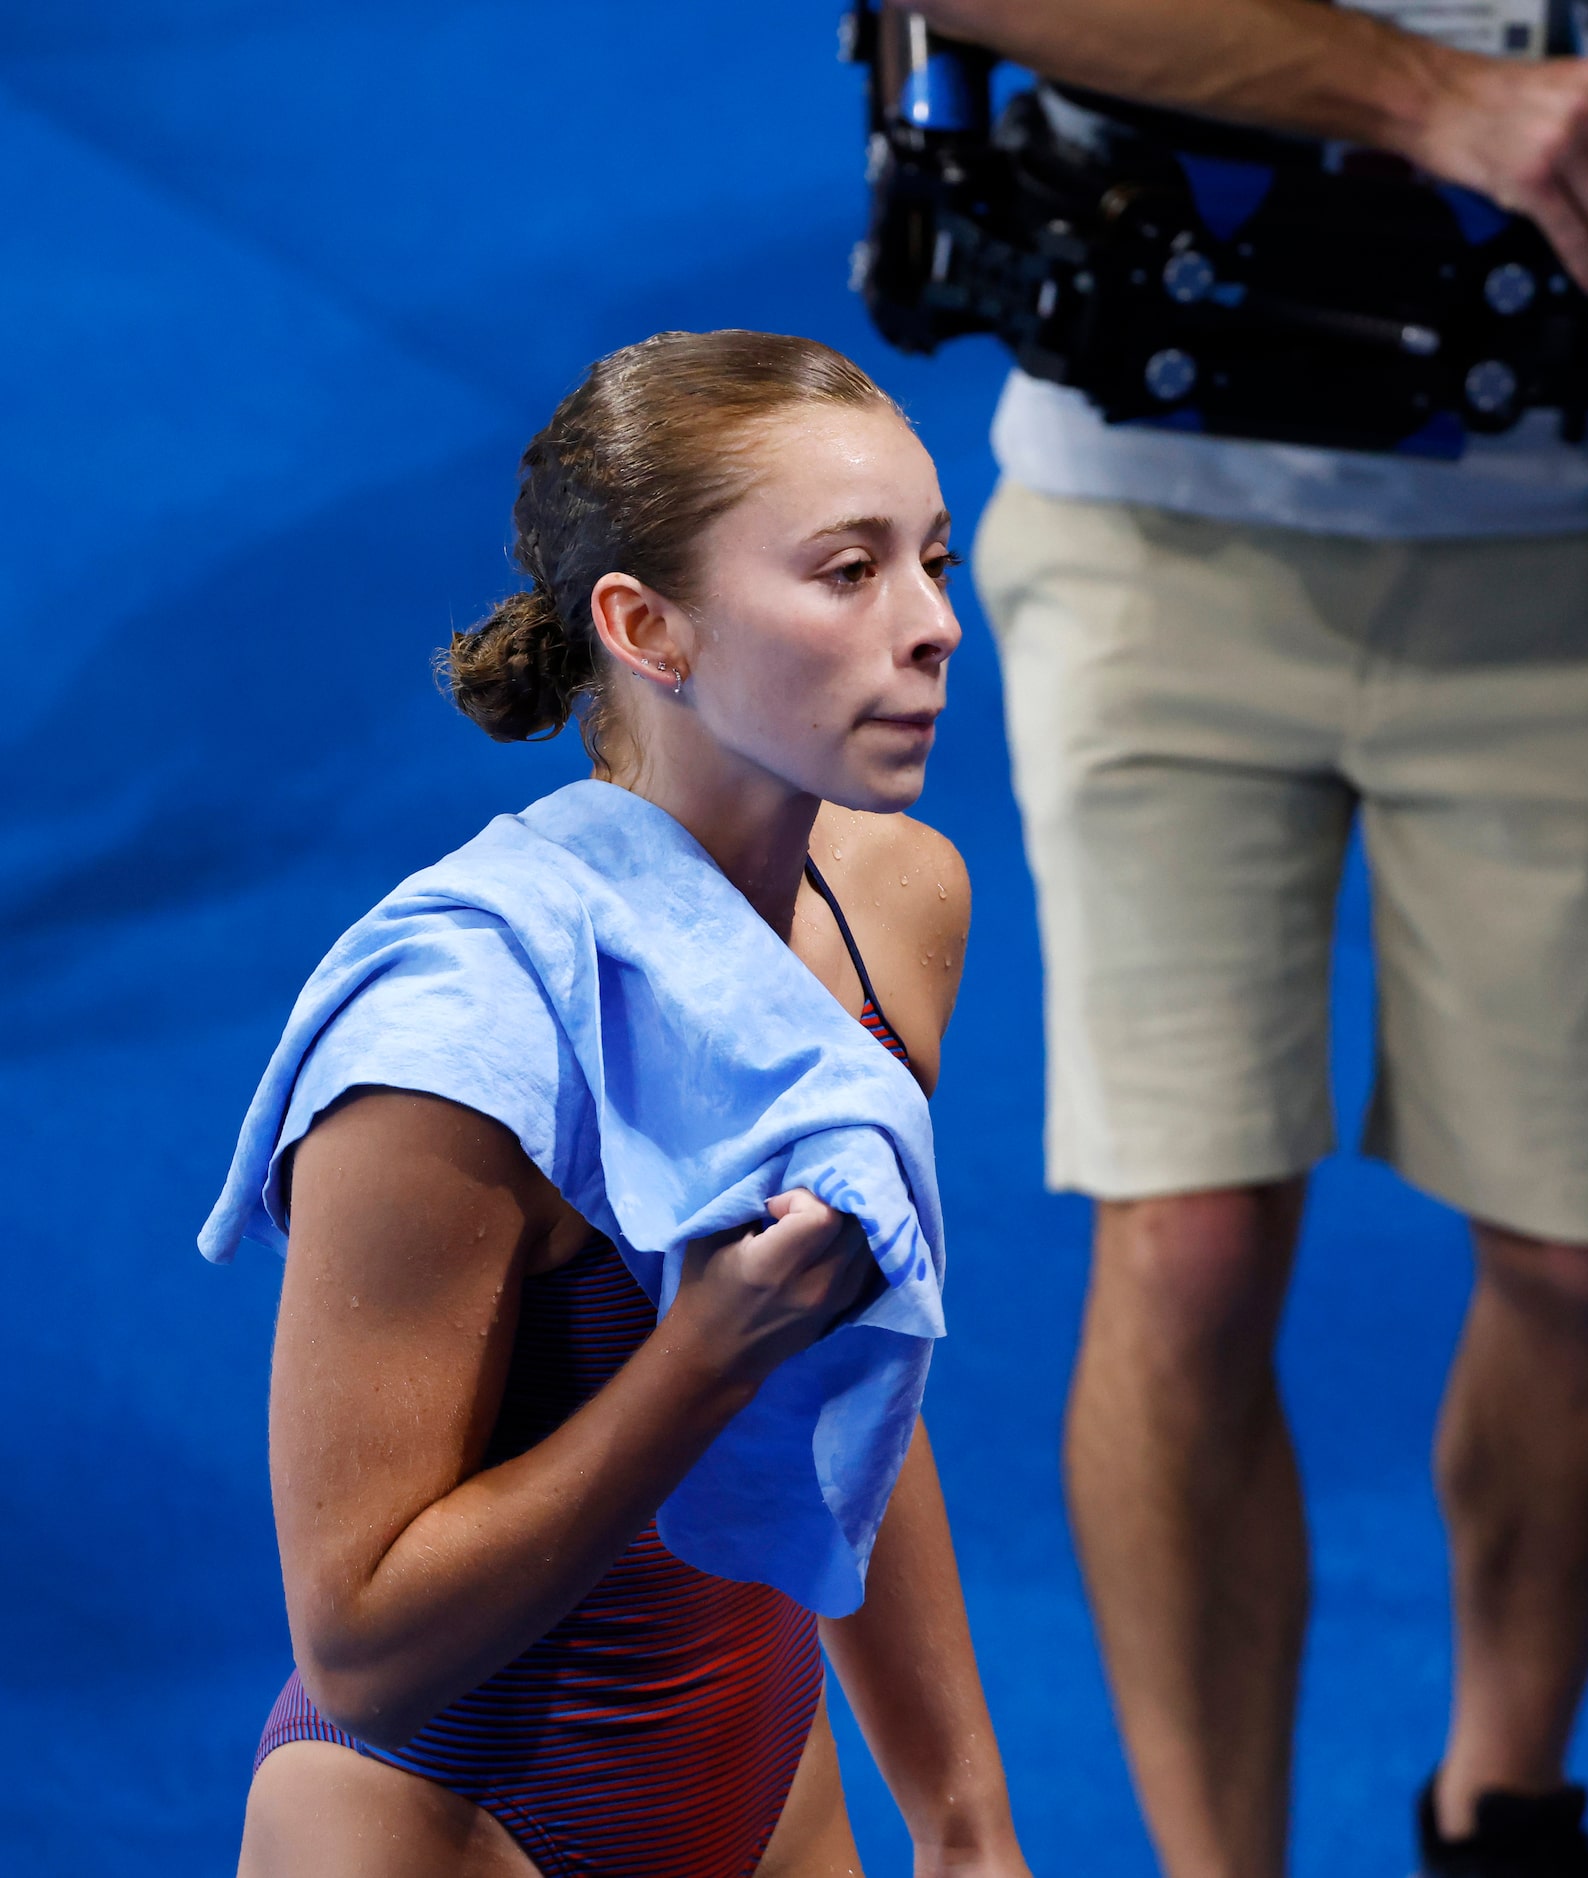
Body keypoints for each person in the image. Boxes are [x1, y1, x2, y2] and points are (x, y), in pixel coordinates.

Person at [905, 3, 1588, 1871]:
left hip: (1584, 512)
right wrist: (1436, 97)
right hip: (1151, 520)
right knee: (1185, 1243)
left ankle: (1502, 1804)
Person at [208, 330, 1030, 1878]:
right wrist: (707, 1351)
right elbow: (363, 1648)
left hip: (770, 1797)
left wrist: (964, 1815)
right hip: (437, 1830)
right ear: (647, 626)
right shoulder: (444, 1056)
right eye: (848, 573)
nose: (933, 627)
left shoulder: (894, 903)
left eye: (934, 560)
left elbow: (852, 1375)